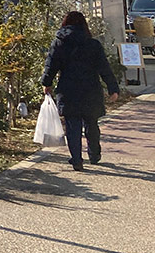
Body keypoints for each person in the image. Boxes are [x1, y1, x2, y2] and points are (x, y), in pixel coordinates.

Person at [41, 11, 119, 171]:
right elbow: (104, 68)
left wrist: (46, 83)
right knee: (91, 123)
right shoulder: (93, 44)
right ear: (84, 25)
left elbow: (51, 65)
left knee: (72, 126)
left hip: (68, 90)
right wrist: (113, 88)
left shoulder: (59, 43)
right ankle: (94, 154)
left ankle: (76, 160)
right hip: (91, 89)